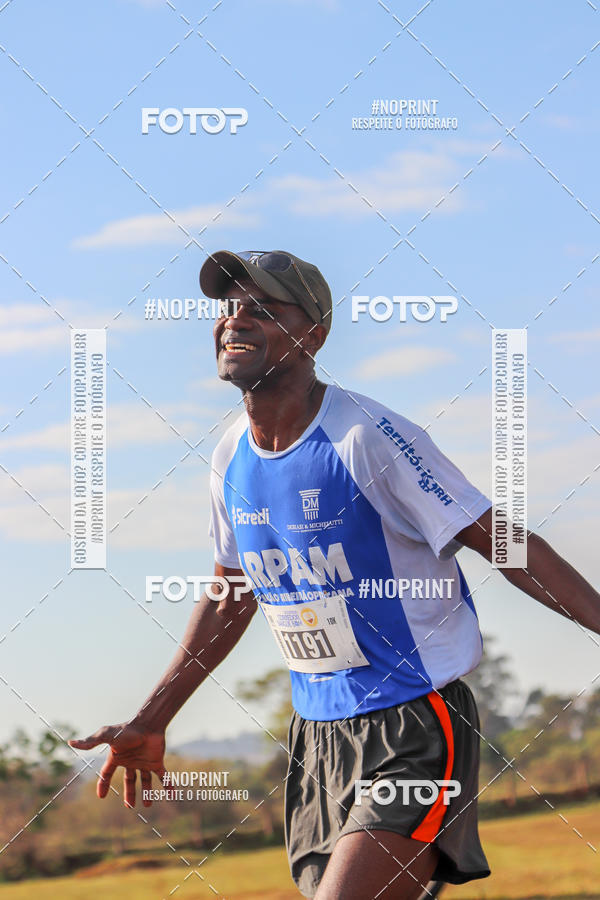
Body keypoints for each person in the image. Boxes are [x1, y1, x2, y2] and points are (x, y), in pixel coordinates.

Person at [70, 250, 600, 900]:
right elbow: (231, 596)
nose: (236, 320)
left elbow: (502, 541)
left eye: (263, 309)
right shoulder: (230, 456)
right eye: (229, 307)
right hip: (317, 739)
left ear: (313, 336)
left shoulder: (368, 437)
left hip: (413, 723)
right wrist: (153, 719)